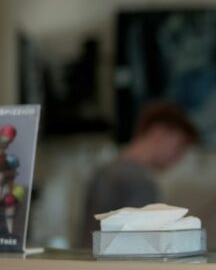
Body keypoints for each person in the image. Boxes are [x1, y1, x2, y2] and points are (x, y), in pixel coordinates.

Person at [80, 101, 199, 245]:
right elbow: (141, 246)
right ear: (159, 133)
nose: (178, 157)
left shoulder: (104, 171)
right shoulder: (140, 182)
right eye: (179, 146)